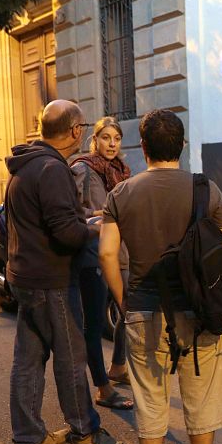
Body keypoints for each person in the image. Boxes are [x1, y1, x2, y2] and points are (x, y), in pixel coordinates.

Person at [99, 110, 222, 444]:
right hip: (198, 313)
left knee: (149, 396)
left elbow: (106, 254)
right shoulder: (205, 189)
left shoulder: (121, 193)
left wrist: (123, 300)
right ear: (182, 145)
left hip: (144, 309)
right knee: (202, 394)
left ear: (143, 147)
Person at [5, 99, 124, 444]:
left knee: (28, 359)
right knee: (71, 357)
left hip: (25, 276)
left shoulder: (26, 163)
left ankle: (28, 437)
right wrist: (95, 228)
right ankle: (85, 428)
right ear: (75, 131)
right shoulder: (53, 169)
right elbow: (66, 234)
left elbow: (50, 221)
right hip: (51, 280)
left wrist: (84, 220)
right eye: (84, 128)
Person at [70, 116, 133, 410]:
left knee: (128, 310)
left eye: (116, 139)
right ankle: (102, 388)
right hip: (94, 253)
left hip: (121, 251)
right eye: (106, 138)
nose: (112, 144)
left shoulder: (122, 170)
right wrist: (96, 214)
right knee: (94, 323)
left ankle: (118, 366)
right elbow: (70, 213)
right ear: (94, 140)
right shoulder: (82, 168)